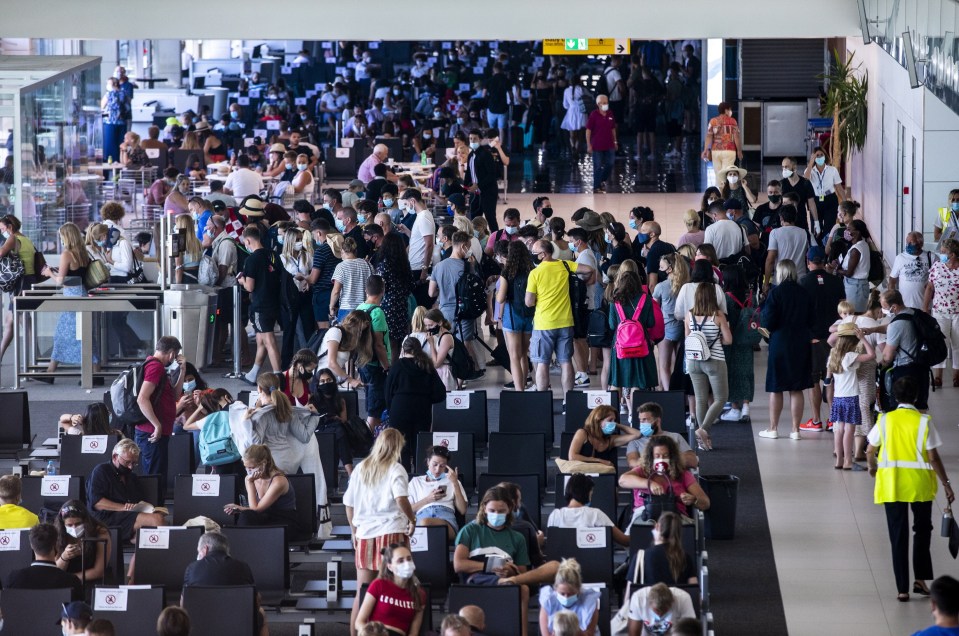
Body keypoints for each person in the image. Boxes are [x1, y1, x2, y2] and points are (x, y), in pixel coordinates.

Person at [867, 376, 954, 602]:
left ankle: (902, 589)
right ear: (915, 396)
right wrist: (946, 483)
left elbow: (869, 449)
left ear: (895, 396)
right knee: (922, 530)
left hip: (892, 485)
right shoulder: (924, 421)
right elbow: (933, 456)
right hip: (919, 485)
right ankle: (921, 580)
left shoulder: (885, 420)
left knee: (898, 535)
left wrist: (871, 467)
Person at [344, 428, 416, 633]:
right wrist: (412, 519)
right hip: (391, 532)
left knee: (362, 592)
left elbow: (348, 505)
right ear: (398, 447)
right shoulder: (396, 468)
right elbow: (401, 498)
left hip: (365, 533)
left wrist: (353, 530)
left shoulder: (361, 468)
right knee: (390, 591)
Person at [244, 373, 327, 523]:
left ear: (259, 389)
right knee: (282, 499)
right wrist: (314, 416)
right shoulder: (287, 409)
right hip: (290, 461)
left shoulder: (262, 415)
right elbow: (305, 436)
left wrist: (247, 421)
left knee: (263, 504)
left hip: (271, 462)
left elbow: (255, 442)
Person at [453, 486, 531, 636]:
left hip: (506, 580)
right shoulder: (470, 530)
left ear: (509, 509)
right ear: (484, 508)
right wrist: (494, 565)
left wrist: (510, 570)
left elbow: (522, 573)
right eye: (492, 510)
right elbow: (458, 565)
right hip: (475, 581)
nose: (496, 514)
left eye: (501, 511)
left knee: (523, 589)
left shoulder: (517, 538)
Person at [759, 260, 814, 440]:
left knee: (776, 386)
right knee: (796, 388)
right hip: (801, 342)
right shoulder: (804, 292)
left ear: (780, 273)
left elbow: (767, 321)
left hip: (780, 342)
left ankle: (773, 428)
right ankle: (795, 430)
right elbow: (811, 318)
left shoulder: (776, 293)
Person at [797, 246, 846, 432]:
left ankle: (816, 420)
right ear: (824, 262)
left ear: (808, 262)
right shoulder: (836, 282)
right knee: (832, 376)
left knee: (814, 379)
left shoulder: (803, 283)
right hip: (835, 336)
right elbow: (844, 308)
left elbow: (801, 313)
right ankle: (833, 419)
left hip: (814, 338)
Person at [182, 531, 268, 636]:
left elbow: (184, 603)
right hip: (238, 627)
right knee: (261, 613)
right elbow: (255, 601)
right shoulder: (243, 567)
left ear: (205, 549)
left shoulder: (192, 568)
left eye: (198, 551)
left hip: (199, 626)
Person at [38, 223, 93, 379]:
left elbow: (61, 281)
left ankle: (50, 371)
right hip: (81, 293)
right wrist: (59, 269)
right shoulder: (83, 253)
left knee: (62, 333)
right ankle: (94, 369)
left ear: (66, 237)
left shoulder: (67, 254)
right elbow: (76, 275)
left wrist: (49, 273)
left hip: (70, 297)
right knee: (84, 333)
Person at [620, 435, 710, 527]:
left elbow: (705, 503)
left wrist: (694, 500)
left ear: (672, 457)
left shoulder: (683, 474)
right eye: (657, 456)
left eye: (665, 455)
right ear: (651, 457)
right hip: (645, 515)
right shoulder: (642, 471)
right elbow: (623, 481)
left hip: (674, 515)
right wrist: (649, 484)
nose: (661, 459)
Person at [685, 280, 732, 451]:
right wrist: (717, 338)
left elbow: (687, 338)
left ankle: (703, 440)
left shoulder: (689, 315)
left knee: (700, 399)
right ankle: (703, 430)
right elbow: (728, 340)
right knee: (720, 398)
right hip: (714, 360)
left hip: (693, 361)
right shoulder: (718, 315)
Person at [385, 337, 446, 470]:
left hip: (399, 408)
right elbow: (440, 392)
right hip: (421, 409)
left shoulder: (397, 366)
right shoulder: (427, 365)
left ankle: (403, 477)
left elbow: (387, 391)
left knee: (401, 446)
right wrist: (428, 399)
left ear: (403, 349)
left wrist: (391, 408)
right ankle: (421, 475)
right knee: (421, 445)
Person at [88, 439, 166, 542]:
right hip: (106, 518)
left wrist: (148, 509)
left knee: (152, 527)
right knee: (157, 520)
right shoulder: (102, 471)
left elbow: (138, 501)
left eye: (134, 463)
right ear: (115, 457)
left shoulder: (131, 477)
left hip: (128, 517)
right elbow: (97, 503)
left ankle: (140, 555)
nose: (130, 467)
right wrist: (124, 508)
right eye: (127, 462)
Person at [526, 240, 578, 394]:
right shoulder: (565, 265)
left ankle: (543, 401)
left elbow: (529, 302)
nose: (532, 256)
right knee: (566, 362)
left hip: (544, 324)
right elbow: (588, 270)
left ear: (543, 254)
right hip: (565, 322)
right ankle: (568, 401)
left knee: (542, 363)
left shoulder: (535, 273)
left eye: (534, 253)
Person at [224, 444, 307, 538]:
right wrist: (239, 509)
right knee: (245, 516)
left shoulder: (278, 481)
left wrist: (241, 507)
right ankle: (243, 547)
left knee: (247, 517)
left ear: (263, 463)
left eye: (251, 467)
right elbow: (253, 511)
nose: (248, 471)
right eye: (246, 467)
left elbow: (256, 509)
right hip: (264, 517)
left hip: (283, 521)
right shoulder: (249, 478)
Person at [131, 336, 184, 482]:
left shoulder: (155, 366)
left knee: (157, 474)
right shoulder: (156, 367)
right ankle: (154, 505)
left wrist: (182, 370)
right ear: (172, 353)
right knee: (154, 478)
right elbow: (142, 398)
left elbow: (174, 395)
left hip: (155, 432)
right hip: (152, 432)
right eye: (175, 355)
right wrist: (157, 424)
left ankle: (156, 504)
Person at [827, 322, 876, 470]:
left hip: (838, 398)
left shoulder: (833, 354)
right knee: (850, 430)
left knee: (839, 429)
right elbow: (871, 355)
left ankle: (839, 460)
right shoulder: (850, 356)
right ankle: (848, 460)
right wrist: (863, 338)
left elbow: (829, 373)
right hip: (851, 397)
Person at [874, 290, 932, 411]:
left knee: (902, 408)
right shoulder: (913, 313)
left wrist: (879, 365)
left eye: (885, 307)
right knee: (920, 406)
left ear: (894, 306)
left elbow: (887, 357)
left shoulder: (896, 325)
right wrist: (873, 329)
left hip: (904, 371)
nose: (883, 311)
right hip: (922, 367)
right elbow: (893, 327)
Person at [239, 224, 282, 383]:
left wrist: (242, 280)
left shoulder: (252, 259)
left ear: (248, 241)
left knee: (269, 340)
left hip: (260, 305)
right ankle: (253, 374)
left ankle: (279, 377)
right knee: (261, 340)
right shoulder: (273, 255)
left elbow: (250, 287)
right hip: (274, 301)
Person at [355, 542, 427, 636]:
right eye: (400, 561)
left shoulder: (419, 593)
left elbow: (414, 632)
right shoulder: (379, 585)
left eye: (409, 559)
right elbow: (359, 622)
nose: (406, 563)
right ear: (390, 567)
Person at [547, 473, 630, 547]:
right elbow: (624, 540)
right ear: (587, 493)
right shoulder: (596, 514)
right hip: (593, 564)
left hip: (563, 564)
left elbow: (552, 545)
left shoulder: (554, 515)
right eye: (591, 492)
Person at [408, 445, 468, 540]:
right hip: (422, 515)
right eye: (434, 464)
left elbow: (463, 510)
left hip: (445, 519)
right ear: (428, 462)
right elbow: (407, 509)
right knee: (423, 523)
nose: (437, 470)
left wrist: (455, 483)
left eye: (442, 466)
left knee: (425, 523)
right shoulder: (416, 482)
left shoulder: (452, 480)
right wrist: (428, 499)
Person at [924, 238, 959, 388]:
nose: (941, 254)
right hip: (940, 311)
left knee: (958, 345)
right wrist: (925, 307)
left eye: (944, 252)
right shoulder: (937, 266)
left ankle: (957, 376)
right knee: (940, 344)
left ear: (953, 254)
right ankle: (938, 376)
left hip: (958, 313)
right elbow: (930, 288)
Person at [375, 232, 414, 363]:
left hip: (387, 306)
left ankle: (391, 370)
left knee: (389, 341)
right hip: (402, 305)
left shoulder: (384, 265)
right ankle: (397, 368)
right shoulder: (404, 264)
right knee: (399, 341)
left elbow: (379, 286)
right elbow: (410, 285)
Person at [53, 500, 111, 585]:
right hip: (66, 581)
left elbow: (99, 571)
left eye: (78, 523)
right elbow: (55, 572)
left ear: (85, 520)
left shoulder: (100, 532)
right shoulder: (58, 534)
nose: (74, 528)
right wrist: (64, 557)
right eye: (69, 525)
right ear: (63, 524)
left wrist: (70, 579)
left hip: (91, 581)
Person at [625, 402, 698, 469]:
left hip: (674, 477)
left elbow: (692, 461)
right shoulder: (635, 442)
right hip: (649, 478)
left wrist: (660, 459)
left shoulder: (675, 436)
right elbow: (632, 463)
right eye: (640, 420)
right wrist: (665, 459)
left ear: (657, 421)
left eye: (645, 420)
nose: (641, 424)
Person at [537, 558, 600, 636]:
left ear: (578, 590)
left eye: (570, 594)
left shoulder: (589, 602)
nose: (566, 597)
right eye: (562, 594)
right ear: (555, 589)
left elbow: (589, 633)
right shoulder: (548, 602)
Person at [652, 253, 688, 391]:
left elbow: (655, 310)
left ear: (670, 269)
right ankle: (681, 393)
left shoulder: (661, 287)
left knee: (664, 366)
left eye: (662, 267)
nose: (659, 269)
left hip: (665, 329)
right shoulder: (686, 285)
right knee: (679, 365)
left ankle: (668, 394)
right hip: (682, 327)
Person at [566, 404, 640, 469]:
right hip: (581, 474)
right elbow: (572, 457)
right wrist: (599, 460)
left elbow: (637, 434)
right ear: (598, 420)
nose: (613, 423)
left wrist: (617, 425)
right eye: (610, 420)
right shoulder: (583, 433)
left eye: (614, 420)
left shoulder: (611, 440)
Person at [641, 511, 698, 587]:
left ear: (657, 527)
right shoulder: (685, 558)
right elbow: (694, 591)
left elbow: (629, 596)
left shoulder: (641, 557)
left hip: (649, 598)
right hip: (678, 599)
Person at [827, 219, 871, 313]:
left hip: (856, 287)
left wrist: (836, 270)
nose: (846, 231)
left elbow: (849, 273)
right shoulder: (862, 244)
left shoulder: (856, 249)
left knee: (853, 313)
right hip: (856, 285)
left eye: (849, 229)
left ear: (857, 232)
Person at [764, 204, 810, 292]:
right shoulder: (806, 233)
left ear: (781, 218)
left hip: (779, 280)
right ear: (795, 217)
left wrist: (766, 283)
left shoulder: (775, 233)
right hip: (800, 280)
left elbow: (770, 259)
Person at [804, 146, 846, 236]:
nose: (819, 157)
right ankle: (817, 247)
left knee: (829, 228)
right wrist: (811, 162)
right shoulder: (810, 171)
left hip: (830, 199)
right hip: (815, 201)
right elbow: (806, 179)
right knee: (816, 229)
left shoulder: (832, 170)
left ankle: (827, 247)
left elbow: (839, 187)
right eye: (817, 155)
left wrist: (845, 202)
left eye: (821, 155)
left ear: (825, 156)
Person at [625, 582, 696, 635]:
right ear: (649, 603)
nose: (660, 615)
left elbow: (690, 632)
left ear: (672, 602)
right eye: (657, 610)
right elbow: (634, 633)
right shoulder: (639, 599)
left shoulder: (683, 599)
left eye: (664, 610)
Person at [890, 231, 933, 310]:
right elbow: (892, 279)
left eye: (912, 243)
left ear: (920, 244)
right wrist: (891, 299)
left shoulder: (931, 257)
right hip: (904, 305)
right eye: (908, 243)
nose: (909, 245)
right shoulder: (900, 258)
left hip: (925, 306)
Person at [701, 101, 742, 183]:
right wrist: (739, 151)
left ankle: (721, 192)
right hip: (729, 151)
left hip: (716, 151)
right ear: (726, 110)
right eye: (730, 109)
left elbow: (709, 136)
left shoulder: (713, 121)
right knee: (727, 173)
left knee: (718, 174)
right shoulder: (733, 121)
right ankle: (725, 193)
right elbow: (736, 137)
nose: (731, 111)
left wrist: (705, 149)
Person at [780, 156, 821, 236]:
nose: (784, 169)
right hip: (785, 222)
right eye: (783, 167)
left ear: (794, 167)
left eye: (786, 167)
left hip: (801, 221)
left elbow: (812, 204)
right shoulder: (781, 184)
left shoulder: (805, 183)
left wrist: (816, 222)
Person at [585, 95, 617, 193]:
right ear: (598, 104)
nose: (605, 104)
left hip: (609, 144)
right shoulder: (594, 115)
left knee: (610, 163)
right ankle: (596, 186)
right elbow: (588, 130)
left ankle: (602, 180)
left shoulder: (610, 114)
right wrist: (588, 144)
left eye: (606, 102)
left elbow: (613, 129)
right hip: (597, 145)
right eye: (603, 103)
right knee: (598, 166)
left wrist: (615, 141)